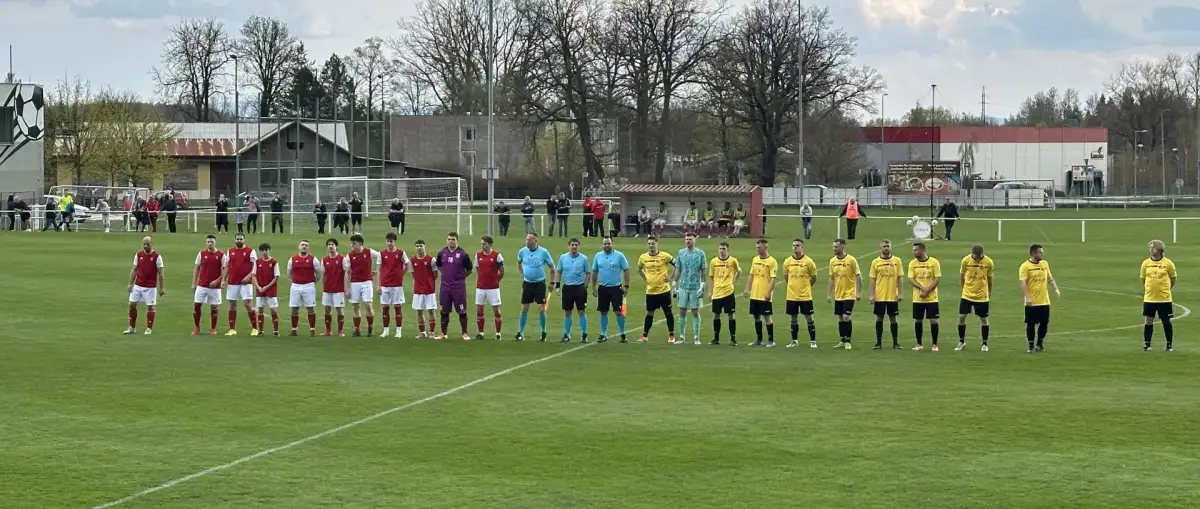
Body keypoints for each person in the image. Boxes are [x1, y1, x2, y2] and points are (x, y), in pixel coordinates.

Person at [1019, 243, 1059, 353]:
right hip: (1032, 302)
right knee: (1030, 324)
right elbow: (1023, 283)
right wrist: (1027, 297)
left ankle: (1040, 343)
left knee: (1044, 323)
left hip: (1044, 301)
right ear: (1033, 253)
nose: (1042, 254)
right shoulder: (1025, 267)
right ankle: (1031, 345)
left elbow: (1050, 278)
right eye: (1040, 253)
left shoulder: (1044, 264)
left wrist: (1055, 289)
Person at [516, 232, 555, 342]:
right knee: (524, 308)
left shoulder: (543, 252)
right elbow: (519, 262)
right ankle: (520, 332)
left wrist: (552, 282)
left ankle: (543, 332)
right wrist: (522, 274)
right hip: (527, 283)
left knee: (541, 309)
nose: (527, 241)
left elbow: (552, 267)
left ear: (535, 241)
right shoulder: (522, 251)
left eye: (530, 239)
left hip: (539, 284)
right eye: (526, 239)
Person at [591, 236, 631, 343]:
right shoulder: (598, 256)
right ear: (602, 245)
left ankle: (622, 334)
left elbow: (626, 270)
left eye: (608, 243)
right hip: (603, 288)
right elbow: (594, 272)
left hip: (616, 288)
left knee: (618, 312)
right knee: (603, 312)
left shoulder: (619, 256)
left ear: (612, 244)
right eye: (605, 243)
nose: (607, 245)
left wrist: (626, 286)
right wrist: (593, 287)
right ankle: (603, 334)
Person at [739, 238, 777, 346]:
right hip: (754, 294)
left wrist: (768, 293)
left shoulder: (772, 261)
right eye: (756, 248)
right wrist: (747, 288)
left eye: (759, 247)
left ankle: (771, 340)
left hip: (764, 294)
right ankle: (759, 339)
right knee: (756, 316)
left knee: (767, 317)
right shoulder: (755, 259)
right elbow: (751, 275)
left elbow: (773, 278)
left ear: (765, 247)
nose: (757, 250)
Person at [638, 236, 676, 343]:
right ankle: (645, 336)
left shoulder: (665, 256)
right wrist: (646, 280)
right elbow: (639, 269)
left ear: (657, 244)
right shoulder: (643, 257)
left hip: (663, 290)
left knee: (668, 313)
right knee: (649, 313)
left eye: (653, 243)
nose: (651, 245)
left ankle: (671, 335)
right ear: (647, 245)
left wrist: (671, 278)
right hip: (650, 291)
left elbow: (678, 264)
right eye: (649, 243)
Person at [1141, 239, 1177, 352]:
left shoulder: (1168, 263)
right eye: (1150, 247)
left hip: (1164, 298)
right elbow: (1143, 278)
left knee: (1166, 321)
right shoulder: (1146, 263)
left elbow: (1173, 278)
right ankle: (1147, 345)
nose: (1151, 249)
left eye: (1153, 247)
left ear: (1160, 250)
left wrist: (1166, 289)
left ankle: (1169, 345)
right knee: (1148, 321)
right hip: (1149, 298)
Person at [436, 232, 473, 340]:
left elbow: (469, 269)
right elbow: (439, 265)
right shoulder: (441, 253)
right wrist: (446, 274)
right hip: (445, 286)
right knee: (444, 310)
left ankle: (464, 333)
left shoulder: (463, 254)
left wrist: (460, 277)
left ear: (457, 240)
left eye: (453, 239)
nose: (450, 241)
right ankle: (443, 333)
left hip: (458, 287)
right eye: (449, 239)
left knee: (462, 310)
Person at [957, 244, 994, 351]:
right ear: (972, 254)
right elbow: (962, 276)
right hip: (967, 295)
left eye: (979, 256)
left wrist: (989, 293)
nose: (977, 258)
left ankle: (984, 344)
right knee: (961, 317)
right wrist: (963, 289)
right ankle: (961, 341)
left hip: (982, 296)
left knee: (984, 319)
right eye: (976, 256)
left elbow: (990, 279)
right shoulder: (965, 261)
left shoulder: (988, 262)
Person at [125, 236, 165, 335]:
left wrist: (162, 288)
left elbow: (161, 273)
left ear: (152, 244)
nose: (146, 246)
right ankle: (132, 327)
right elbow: (134, 269)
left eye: (148, 244)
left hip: (150, 287)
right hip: (138, 285)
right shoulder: (138, 255)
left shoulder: (157, 257)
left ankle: (149, 328)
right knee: (132, 304)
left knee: (150, 307)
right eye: (144, 244)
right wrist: (130, 283)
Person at [782, 239, 818, 348]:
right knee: (793, 318)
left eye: (797, 245)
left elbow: (814, 277)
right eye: (793, 245)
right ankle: (794, 341)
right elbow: (786, 277)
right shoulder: (787, 262)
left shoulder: (809, 262)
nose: (795, 247)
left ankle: (812, 341)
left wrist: (806, 286)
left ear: (802, 247)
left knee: (809, 318)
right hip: (791, 295)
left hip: (805, 296)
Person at [869, 239, 903, 350]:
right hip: (880, 295)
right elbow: (873, 280)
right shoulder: (875, 262)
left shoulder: (897, 261)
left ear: (891, 247)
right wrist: (872, 295)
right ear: (880, 248)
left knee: (893, 318)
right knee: (879, 318)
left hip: (892, 295)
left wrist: (900, 293)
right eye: (884, 246)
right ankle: (878, 343)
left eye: (888, 246)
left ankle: (895, 343)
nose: (886, 248)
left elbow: (899, 278)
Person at [827, 238, 862, 349]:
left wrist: (858, 292)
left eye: (836, 246)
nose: (834, 248)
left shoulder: (851, 260)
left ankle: (848, 341)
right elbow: (832, 278)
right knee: (841, 318)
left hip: (849, 293)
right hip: (838, 294)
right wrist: (829, 294)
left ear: (842, 247)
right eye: (833, 246)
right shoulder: (832, 261)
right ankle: (842, 339)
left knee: (846, 316)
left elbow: (858, 276)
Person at [343, 233, 380, 336]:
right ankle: (357, 329)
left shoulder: (369, 252)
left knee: (368, 304)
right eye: (351, 243)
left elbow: (381, 257)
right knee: (355, 306)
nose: (352, 245)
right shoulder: (349, 256)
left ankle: (370, 327)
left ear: (360, 243)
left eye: (354, 243)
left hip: (366, 282)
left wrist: (378, 270)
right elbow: (347, 272)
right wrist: (346, 288)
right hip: (354, 282)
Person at [674, 232, 707, 345]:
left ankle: (696, 337)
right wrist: (674, 282)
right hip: (683, 285)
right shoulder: (681, 253)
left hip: (695, 286)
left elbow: (703, 270)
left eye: (690, 239)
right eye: (687, 239)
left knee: (695, 311)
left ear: (695, 240)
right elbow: (678, 268)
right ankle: (682, 337)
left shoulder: (700, 253)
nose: (688, 241)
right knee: (682, 310)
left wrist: (702, 284)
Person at [908, 242, 942, 351]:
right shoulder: (912, 263)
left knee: (933, 320)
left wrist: (928, 290)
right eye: (913, 250)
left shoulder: (934, 262)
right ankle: (919, 344)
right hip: (918, 298)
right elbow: (911, 279)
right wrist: (922, 288)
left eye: (915, 250)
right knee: (918, 320)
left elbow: (937, 278)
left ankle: (934, 344)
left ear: (922, 250)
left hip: (932, 298)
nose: (914, 252)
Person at [378, 231, 413, 338]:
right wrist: (378, 285)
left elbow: (408, 264)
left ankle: (398, 331)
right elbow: (379, 269)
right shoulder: (382, 253)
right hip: (385, 284)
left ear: (395, 242)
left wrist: (402, 273)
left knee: (397, 307)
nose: (389, 243)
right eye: (388, 241)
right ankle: (386, 330)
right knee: (385, 307)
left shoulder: (401, 253)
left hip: (397, 285)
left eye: (391, 241)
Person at [706, 241, 741, 345]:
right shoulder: (713, 262)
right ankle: (716, 338)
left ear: (728, 250)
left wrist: (733, 282)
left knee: (731, 315)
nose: (721, 251)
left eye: (724, 249)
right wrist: (710, 291)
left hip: (728, 292)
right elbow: (711, 277)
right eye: (720, 249)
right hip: (717, 292)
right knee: (716, 315)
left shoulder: (732, 261)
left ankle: (733, 339)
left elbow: (739, 271)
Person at [556, 238, 590, 343]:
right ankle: (567, 334)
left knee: (581, 311)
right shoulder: (563, 258)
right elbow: (559, 272)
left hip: (579, 287)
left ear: (578, 246)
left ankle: (584, 334)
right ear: (569, 246)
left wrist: (585, 285)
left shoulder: (584, 259)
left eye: (576, 245)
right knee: (567, 312)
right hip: (567, 287)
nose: (574, 247)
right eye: (572, 245)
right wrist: (557, 286)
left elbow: (588, 273)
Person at [191, 234, 227, 335]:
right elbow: (197, 268)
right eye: (208, 242)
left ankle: (213, 328)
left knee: (214, 308)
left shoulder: (221, 255)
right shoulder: (201, 254)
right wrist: (194, 283)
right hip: (202, 285)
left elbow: (225, 270)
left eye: (212, 242)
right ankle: (197, 327)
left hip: (214, 287)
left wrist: (218, 280)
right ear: (206, 243)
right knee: (197, 306)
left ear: (215, 242)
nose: (210, 244)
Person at [224, 233, 258, 336]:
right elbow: (227, 266)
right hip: (233, 282)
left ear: (244, 240)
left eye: (241, 239)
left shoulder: (250, 251)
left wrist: (248, 277)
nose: (239, 241)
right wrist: (223, 280)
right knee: (232, 305)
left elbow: (254, 266)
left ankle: (255, 328)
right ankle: (232, 329)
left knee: (248, 304)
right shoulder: (230, 251)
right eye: (237, 239)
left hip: (246, 283)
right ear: (235, 240)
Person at [287, 240, 322, 337]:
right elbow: (289, 272)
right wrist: (295, 280)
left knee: (310, 307)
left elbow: (319, 273)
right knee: (294, 307)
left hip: (308, 285)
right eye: (302, 245)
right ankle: (294, 329)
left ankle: (312, 329)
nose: (304, 247)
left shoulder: (313, 259)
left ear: (308, 248)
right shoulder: (292, 259)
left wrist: (313, 281)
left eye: (306, 245)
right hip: (295, 286)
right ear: (299, 247)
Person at [475, 235, 505, 340]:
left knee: (496, 310)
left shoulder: (497, 255)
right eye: (481, 244)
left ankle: (498, 333)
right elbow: (478, 269)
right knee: (479, 310)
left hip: (493, 288)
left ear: (490, 244)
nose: (482, 246)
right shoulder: (478, 255)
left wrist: (495, 281)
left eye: (484, 244)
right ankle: (481, 333)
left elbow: (502, 272)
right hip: (480, 287)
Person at [410, 240, 439, 338]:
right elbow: (413, 274)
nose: (419, 248)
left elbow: (435, 275)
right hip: (418, 290)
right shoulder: (412, 260)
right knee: (419, 311)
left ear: (424, 247)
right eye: (417, 246)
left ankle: (431, 332)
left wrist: (428, 282)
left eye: (421, 246)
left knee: (431, 310)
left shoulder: (431, 259)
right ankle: (422, 332)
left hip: (429, 290)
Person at [252, 242, 282, 336]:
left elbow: (276, 277)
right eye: (263, 250)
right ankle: (261, 331)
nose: (265, 252)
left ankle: (276, 331)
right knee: (260, 309)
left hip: (270, 290)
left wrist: (266, 287)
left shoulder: (274, 262)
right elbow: (253, 275)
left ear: (269, 250)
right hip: (260, 289)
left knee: (273, 309)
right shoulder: (257, 262)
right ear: (260, 251)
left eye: (266, 250)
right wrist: (258, 287)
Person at [321, 239, 347, 336]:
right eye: (329, 245)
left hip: (338, 288)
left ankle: (340, 331)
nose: (330, 246)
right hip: (327, 289)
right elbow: (323, 274)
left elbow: (346, 273)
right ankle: (328, 330)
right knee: (327, 309)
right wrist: (323, 286)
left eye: (332, 244)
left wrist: (345, 287)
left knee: (339, 309)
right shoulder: (324, 260)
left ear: (336, 246)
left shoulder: (342, 259)